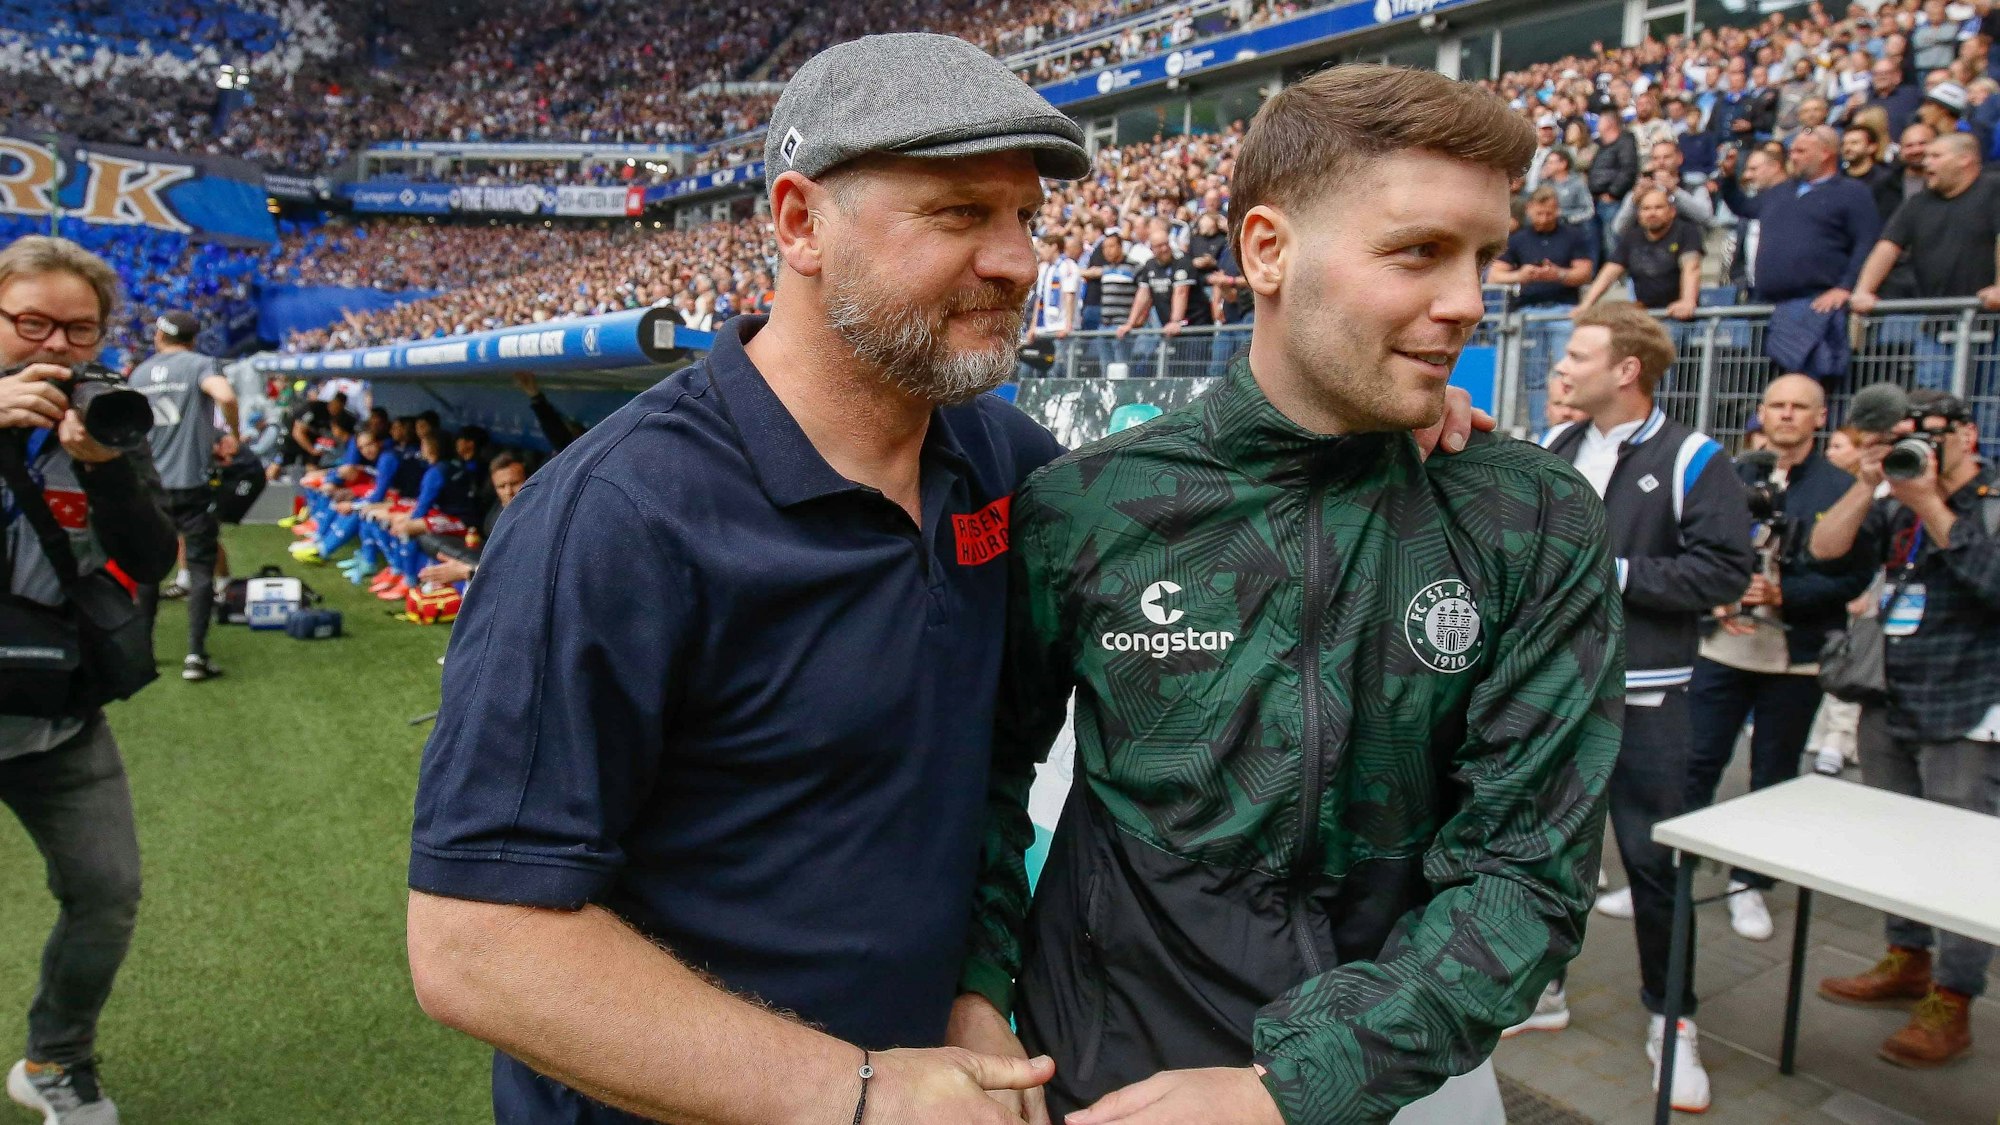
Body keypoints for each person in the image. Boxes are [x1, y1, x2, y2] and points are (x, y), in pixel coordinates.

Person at [987, 65, 1622, 1125]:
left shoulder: (1527, 516)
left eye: (1483, 256)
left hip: (1387, 1091)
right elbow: (988, 783)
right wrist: (975, 994)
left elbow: (1524, 875)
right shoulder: (1087, 506)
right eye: (1418, 251)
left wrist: (1293, 1087)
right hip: (1084, 1073)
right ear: (1266, 250)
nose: (1468, 300)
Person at [1534, 301, 1754, 1113]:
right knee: (1546, 857)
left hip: (1648, 700)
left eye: (1579, 353)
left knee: (1656, 868)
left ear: (1626, 369)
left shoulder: (1695, 456)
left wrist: (1614, 573)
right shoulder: (1555, 444)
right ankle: (1542, 989)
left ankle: (1673, 1021)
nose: (1562, 365)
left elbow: (1725, 573)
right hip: (1556, 697)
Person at [0, 235, 177, 1125]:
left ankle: (56, 1057)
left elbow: (152, 556)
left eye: (80, 330)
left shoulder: (108, 418)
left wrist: (106, 472)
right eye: (32, 322)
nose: (55, 348)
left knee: (105, 892)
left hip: (54, 719)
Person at [1809, 390, 2000, 1068]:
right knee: (1896, 841)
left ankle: (1954, 997)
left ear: (1968, 434)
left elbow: (1994, 580)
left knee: (1964, 855)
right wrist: (1867, 485)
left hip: (1968, 708)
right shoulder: (1893, 499)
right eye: (1906, 437)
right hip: (1890, 695)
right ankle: (1906, 957)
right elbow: (1825, 548)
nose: (1916, 447)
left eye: (1930, 435)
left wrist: (1928, 501)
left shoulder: (1990, 498)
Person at [1684, 375, 1872, 941]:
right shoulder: (1733, 474)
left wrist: (1786, 593)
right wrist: (1718, 597)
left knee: (1772, 773)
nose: (1787, 415)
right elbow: (1697, 546)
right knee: (1694, 762)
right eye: (1777, 405)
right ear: (1761, 413)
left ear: (1821, 417)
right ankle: (1670, 873)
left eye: (1800, 407)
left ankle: (1749, 886)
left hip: (1796, 656)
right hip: (1722, 646)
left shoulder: (1843, 485)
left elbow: (1856, 577)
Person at [129, 311, 238, 683]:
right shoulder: (201, 365)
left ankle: (143, 655)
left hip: (149, 486)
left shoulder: (139, 373)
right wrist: (232, 435)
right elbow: (224, 394)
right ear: (192, 339)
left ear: (160, 334)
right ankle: (195, 655)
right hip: (191, 483)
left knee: (147, 573)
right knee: (201, 567)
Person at [1576, 184, 1704, 318]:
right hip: (1645, 317)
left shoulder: (1687, 232)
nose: (1651, 213)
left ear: (1672, 212)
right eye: (1646, 209)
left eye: (1658, 207)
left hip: (1678, 316)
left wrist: (1687, 301)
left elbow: (1692, 268)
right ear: (1639, 214)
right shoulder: (1632, 237)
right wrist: (1587, 304)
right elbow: (1610, 272)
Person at [1488, 185, 1595, 309]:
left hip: (1564, 306)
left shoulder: (1574, 236)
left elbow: (1585, 274)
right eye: (1539, 214)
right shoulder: (1517, 239)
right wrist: (1521, 275)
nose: (1543, 219)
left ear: (1557, 210)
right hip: (1526, 306)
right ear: (1529, 209)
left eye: (1548, 214)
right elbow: (1494, 276)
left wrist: (1558, 274)